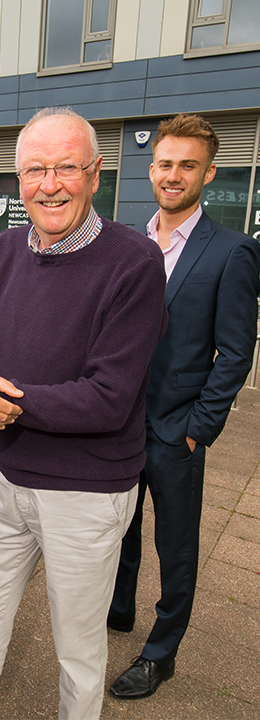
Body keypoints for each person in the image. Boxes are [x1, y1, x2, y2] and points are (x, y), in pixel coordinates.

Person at [0, 107, 168, 720]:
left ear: (96, 173)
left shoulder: (134, 262)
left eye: (65, 168)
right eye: (34, 170)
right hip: (6, 482)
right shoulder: (2, 251)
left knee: (76, 650)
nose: (49, 184)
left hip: (86, 494)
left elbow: (108, 396)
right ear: (18, 178)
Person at [108, 114, 260, 699]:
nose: (174, 175)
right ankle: (119, 609)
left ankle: (161, 652)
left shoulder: (232, 251)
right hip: (117, 423)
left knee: (176, 546)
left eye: (188, 165)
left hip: (177, 431)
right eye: (165, 164)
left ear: (209, 172)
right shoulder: (125, 240)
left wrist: (200, 428)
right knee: (119, 528)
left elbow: (236, 352)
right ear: (151, 169)